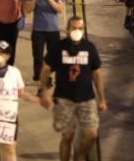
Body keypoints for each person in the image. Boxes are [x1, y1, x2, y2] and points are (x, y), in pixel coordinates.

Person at [38, 17, 107, 161]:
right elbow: (46, 69)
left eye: (80, 28)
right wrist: (43, 91)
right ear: (67, 29)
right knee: (67, 137)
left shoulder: (89, 47)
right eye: (73, 28)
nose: (77, 31)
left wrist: (102, 99)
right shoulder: (58, 47)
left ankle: (80, 155)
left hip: (87, 98)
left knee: (92, 134)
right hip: (64, 98)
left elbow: (97, 73)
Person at [23, 0, 64, 82]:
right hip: (38, 30)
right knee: (38, 57)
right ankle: (40, 77)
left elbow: (60, 9)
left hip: (53, 29)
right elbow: (28, 9)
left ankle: (47, 75)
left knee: (52, 57)